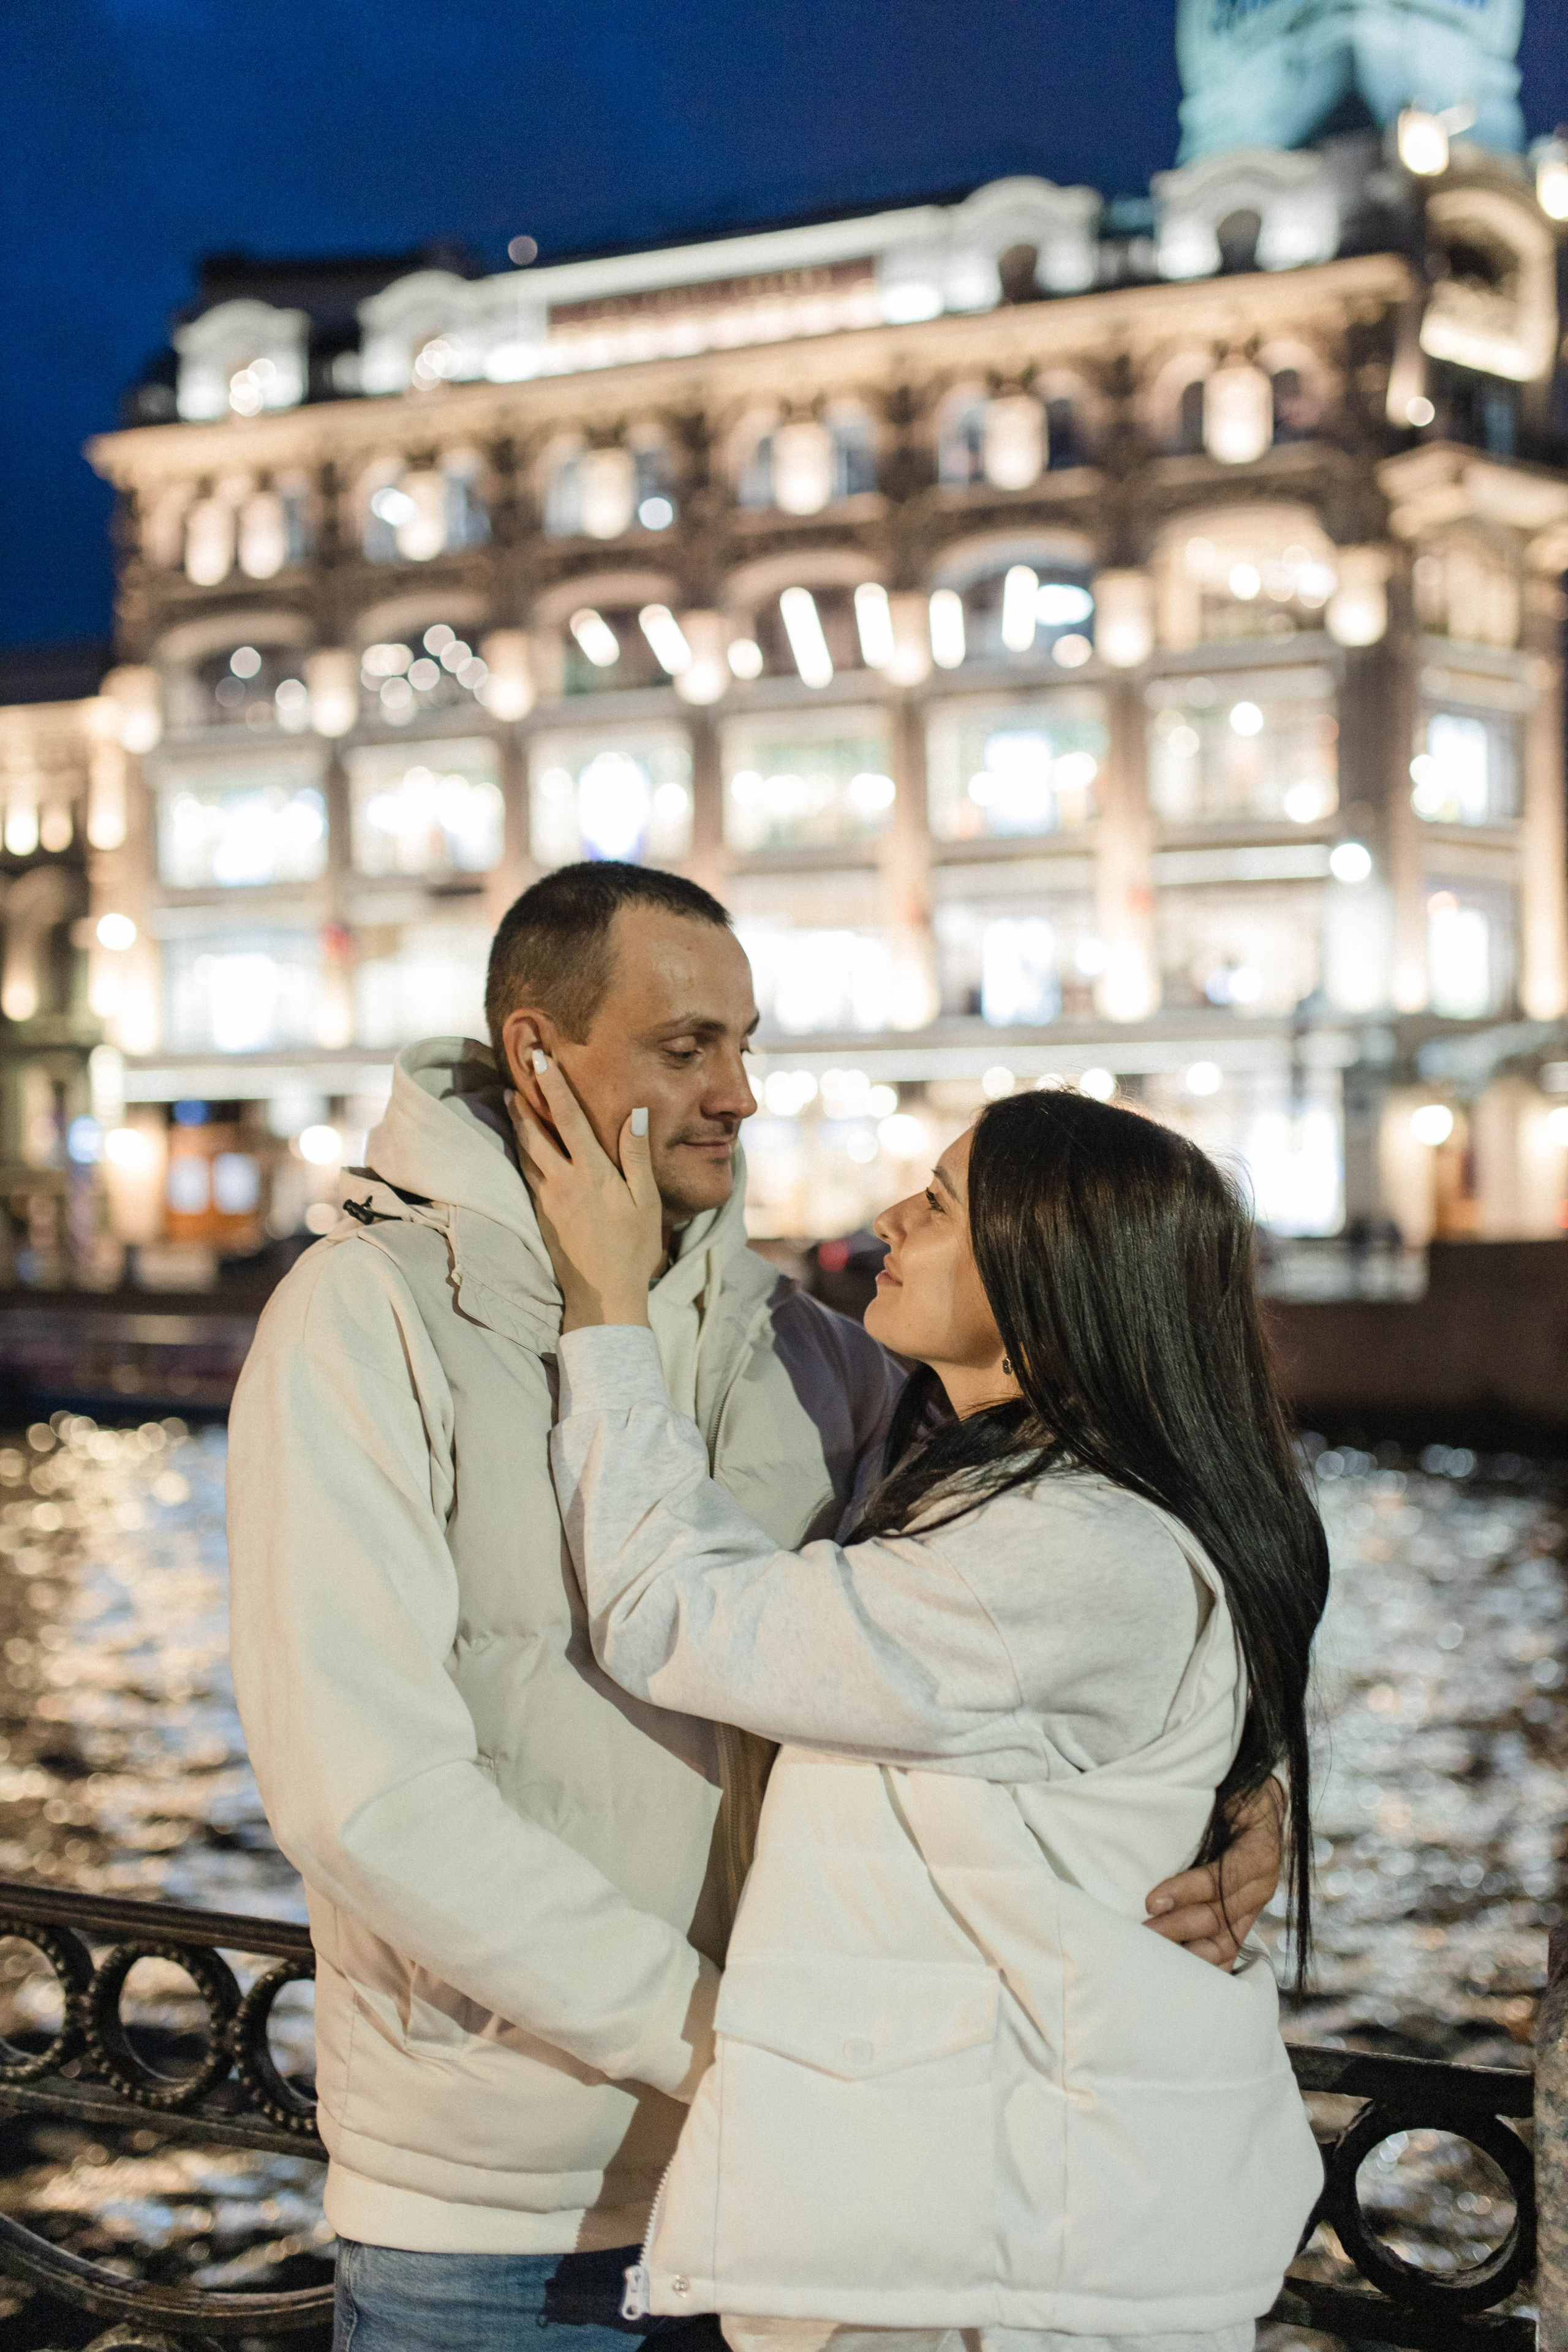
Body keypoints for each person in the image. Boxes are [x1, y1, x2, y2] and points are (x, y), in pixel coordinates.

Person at [226, 861, 1286, 2352]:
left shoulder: (812, 1347)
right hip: (507, 2214)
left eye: (745, 1044)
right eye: (685, 1050)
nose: (740, 1093)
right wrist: (726, 2040)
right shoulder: (367, 1318)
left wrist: (1233, 1779)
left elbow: (1062, 1591)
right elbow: (364, 1796)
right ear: (539, 1056)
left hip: (804, 2216)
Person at [513, 1054, 1330, 2351]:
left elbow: (676, 1617)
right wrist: (1248, 1779)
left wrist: (606, 1308)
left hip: (997, 2277)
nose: (889, 1217)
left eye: (940, 1204)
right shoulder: (1017, 1496)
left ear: (1045, 1294)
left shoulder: (1071, 1552)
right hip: (985, 2243)